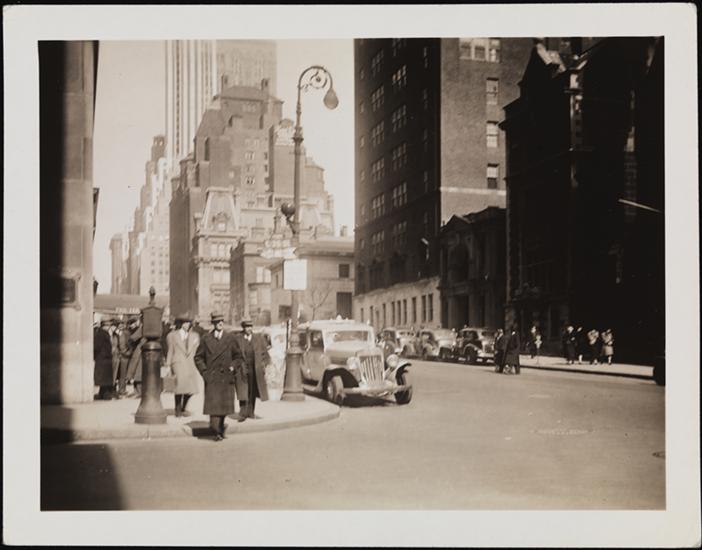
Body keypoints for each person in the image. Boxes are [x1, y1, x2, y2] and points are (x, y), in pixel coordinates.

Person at [194, 312, 240, 441]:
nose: (220, 323)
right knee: (214, 407)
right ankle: (216, 430)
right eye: (217, 321)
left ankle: (219, 429)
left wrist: (233, 367)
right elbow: (198, 358)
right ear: (213, 323)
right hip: (212, 377)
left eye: (221, 321)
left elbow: (238, 357)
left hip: (226, 376)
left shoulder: (230, 338)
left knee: (223, 407)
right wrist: (204, 372)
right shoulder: (206, 339)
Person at [234, 319, 270, 422]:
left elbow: (266, 355)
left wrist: (263, 365)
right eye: (247, 327)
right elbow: (233, 354)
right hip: (242, 369)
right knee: (243, 390)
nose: (249, 329)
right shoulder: (237, 339)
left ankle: (251, 412)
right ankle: (242, 413)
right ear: (243, 328)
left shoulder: (258, 339)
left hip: (255, 369)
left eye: (250, 326)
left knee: (252, 390)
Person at [166, 314, 201, 417]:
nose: (187, 325)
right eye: (185, 323)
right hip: (178, 362)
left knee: (191, 389)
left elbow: (197, 351)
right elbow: (170, 350)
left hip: (190, 363)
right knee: (179, 387)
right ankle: (177, 410)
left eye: (188, 323)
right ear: (180, 324)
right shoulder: (172, 335)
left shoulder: (195, 336)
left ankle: (183, 407)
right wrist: (168, 365)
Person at [93, 319, 115, 399]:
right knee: (105, 377)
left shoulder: (101, 333)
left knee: (104, 377)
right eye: (108, 325)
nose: (109, 327)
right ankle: (106, 394)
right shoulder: (103, 333)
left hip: (103, 358)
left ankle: (102, 394)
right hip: (104, 358)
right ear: (104, 326)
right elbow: (97, 346)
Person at [125, 316, 145, 397]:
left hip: (139, 351)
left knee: (137, 371)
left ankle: (138, 391)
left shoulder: (142, 328)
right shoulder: (144, 327)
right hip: (141, 350)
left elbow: (132, 338)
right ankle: (137, 390)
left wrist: (129, 343)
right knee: (137, 371)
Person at [116, 320, 131, 397]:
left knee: (121, 374)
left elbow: (127, 344)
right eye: (119, 324)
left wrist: (125, 352)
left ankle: (121, 390)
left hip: (122, 356)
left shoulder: (124, 333)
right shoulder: (124, 333)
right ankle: (121, 390)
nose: (121, 325)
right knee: (122, 374)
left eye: (122, 324)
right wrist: (126, 352)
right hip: (122, 356)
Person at [109, 320, 121, 393]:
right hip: (112, 355)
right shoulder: (110, 334)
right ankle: (111, 388)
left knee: (115, 373)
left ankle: (113, 388)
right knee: (113, 373)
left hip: (115, 355)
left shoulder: (116, 334)